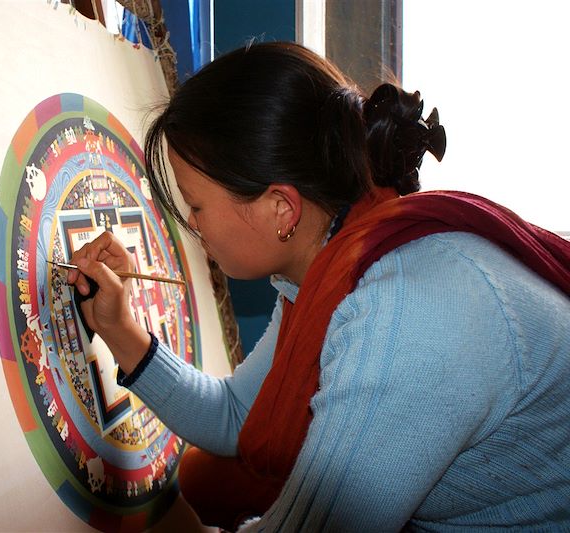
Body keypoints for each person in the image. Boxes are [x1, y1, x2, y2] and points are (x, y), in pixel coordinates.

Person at [67, 42, 570, 531]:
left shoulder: (403, 315)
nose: (192, 227)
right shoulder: (337, 260)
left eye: (196, 206)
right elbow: (238, 416)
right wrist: (119, 330)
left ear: (281, 208)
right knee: (204, 478)